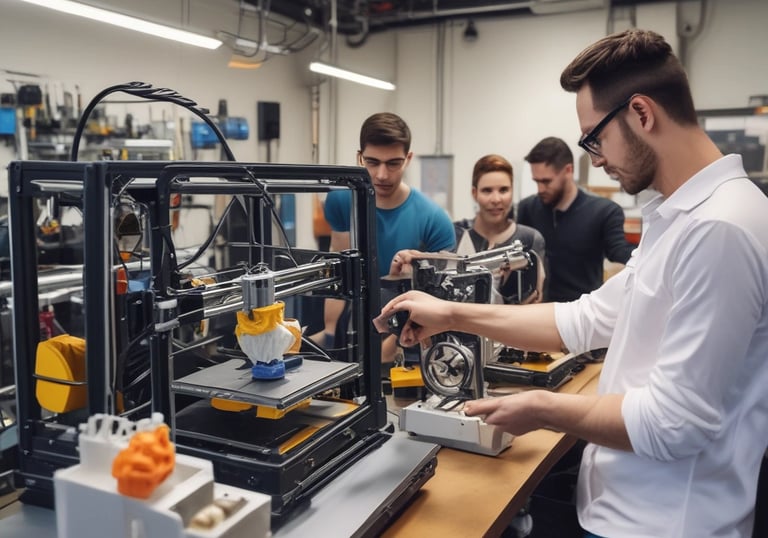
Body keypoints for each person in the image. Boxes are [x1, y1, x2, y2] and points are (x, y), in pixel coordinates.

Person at [379, 29, 768, 537]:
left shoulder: (719, 228)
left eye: (595, 138)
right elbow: (583, 318)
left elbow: (676, 423)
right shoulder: (678, 216)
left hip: (666, 523)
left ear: (642, 113)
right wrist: (451, 313)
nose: (596, 157)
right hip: (628, 511)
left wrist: (541, 407)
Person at [313, 112, 455, 350]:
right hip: (355, 325)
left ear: (408, 159)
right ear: (359, 158)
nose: (382, 175)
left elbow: (441, 301)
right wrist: (329, 333)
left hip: (411, 333)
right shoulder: (339, 202)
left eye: (393, 163)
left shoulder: (434, 220)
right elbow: (339, 272)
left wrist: (396, 344)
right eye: (372, 162)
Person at [392, 153, 546, 305]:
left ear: (512, 192)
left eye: (504, 190)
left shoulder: (530, 239)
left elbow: (535, 301)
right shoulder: (452, 233)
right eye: (487, 190)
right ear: (474, 193)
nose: (496, 199)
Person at [517, 136, 635, 302]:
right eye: (536, 181)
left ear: (568, 171)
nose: (540, 189)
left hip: (580, 314)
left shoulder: (604, 211)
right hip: (537, 310)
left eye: (546, 181)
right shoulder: (527, 208)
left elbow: (619, 252)